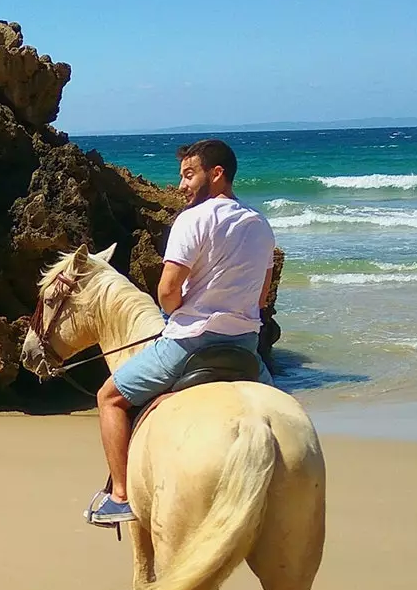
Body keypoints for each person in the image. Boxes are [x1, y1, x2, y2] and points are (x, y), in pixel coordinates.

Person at [87, 138, 276, 526]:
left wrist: (176, 310)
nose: (181, 185)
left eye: (189, 175)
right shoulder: (261, 225)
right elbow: (261, 298)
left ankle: (120, 496)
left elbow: (168, 291)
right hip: (245, 348)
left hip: (190, 343)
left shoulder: (193, 219)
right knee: (277, 414)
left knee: (108, 397)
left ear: (217, 174)